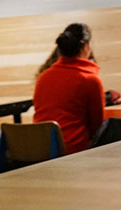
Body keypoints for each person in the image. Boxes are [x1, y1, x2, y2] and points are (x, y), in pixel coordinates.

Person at [33, 23, 105, 153]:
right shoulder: (90, 80)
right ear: (86, 47)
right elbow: (97, 127)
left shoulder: (43, 77)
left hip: (40, 150)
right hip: (73, 151)